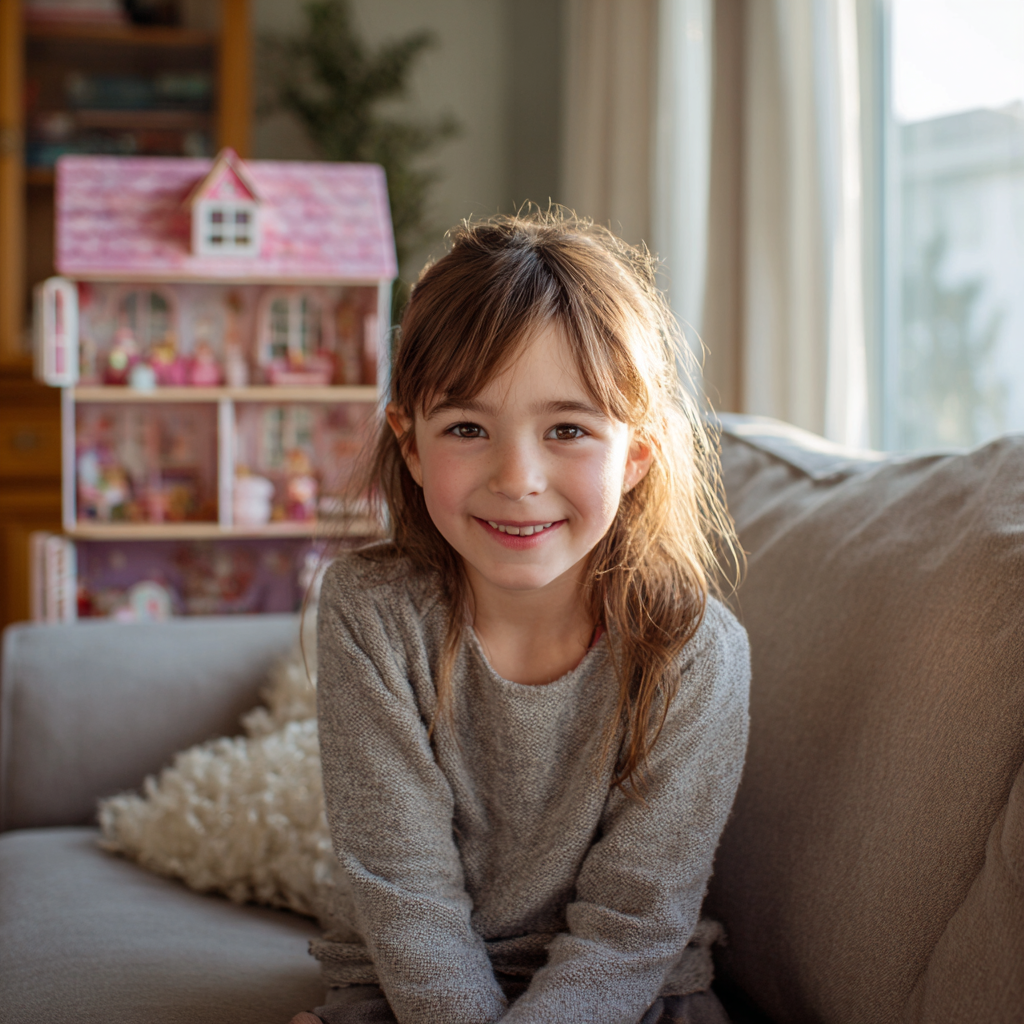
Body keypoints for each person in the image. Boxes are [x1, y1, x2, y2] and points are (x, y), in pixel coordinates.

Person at [294, 211, 751, 1024]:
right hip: (408, 989)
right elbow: (404, 890)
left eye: (567, 429)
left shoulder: (694, 650)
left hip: (630, 995)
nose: (518, 477)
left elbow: (633, 922)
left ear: (636, 453)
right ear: (410, 443)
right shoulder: (370, 612)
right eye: (467, 428)